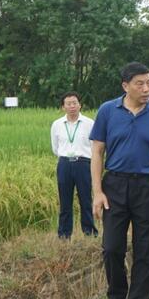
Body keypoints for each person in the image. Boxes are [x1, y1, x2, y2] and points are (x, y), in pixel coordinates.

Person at [90, 63, 149, 299]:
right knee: (112, 246)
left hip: (147, 184)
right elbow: (97, 152)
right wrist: (97, 191)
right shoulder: (108, 111)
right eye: (140, 83)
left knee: (146, 245)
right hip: (115, 184)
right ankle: (116, 295)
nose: (146, 88)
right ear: (125, 85)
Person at [51, 92, 97, 239]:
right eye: (68, 103)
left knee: (86, 200)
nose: (72, 106)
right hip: (64, 163)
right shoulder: (57, 124)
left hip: (83, 163)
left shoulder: (89, 123)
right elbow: (55, 148)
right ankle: (64, 234)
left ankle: (89, 232)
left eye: (74, 103)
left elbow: (95, 146)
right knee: (65, 201)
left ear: (80, 105)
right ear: (63, 106)